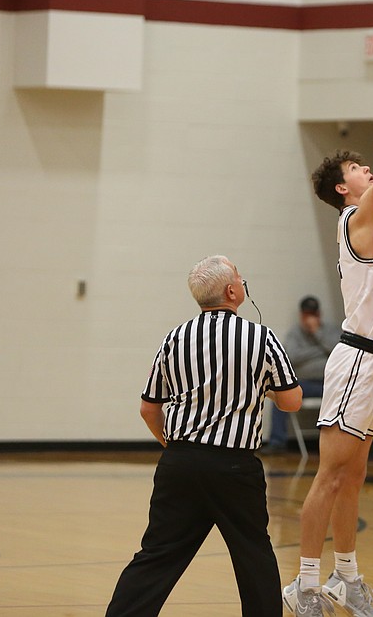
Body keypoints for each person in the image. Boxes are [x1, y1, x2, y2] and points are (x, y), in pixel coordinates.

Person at [282, 49, 373, 617]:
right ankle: (304, 584)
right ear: (344, 190)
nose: (367, 172)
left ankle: (346, 576)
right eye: (356, 171)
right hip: (357, 359)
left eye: (366, 168)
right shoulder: (357, 218)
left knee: (354, 475)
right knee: (330, 474)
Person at [105, 255, 301, 617]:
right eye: (240, 277)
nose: (243, 282)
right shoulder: (261, 336)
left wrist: (174, 447)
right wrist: (261, 387)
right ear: (231, 290)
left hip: (179, 462)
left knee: (157, 555)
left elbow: (149, 408)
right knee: (252, 555)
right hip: (234, 467)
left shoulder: (174, 337)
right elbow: (291, 402)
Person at [267, 295, 339, 451]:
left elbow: (337, 352)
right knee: (279, 393)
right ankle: (277, 442)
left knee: (353, 393)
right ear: (301, 315)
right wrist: (320, 350)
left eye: (313, 314)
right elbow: (291, 356)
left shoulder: (330, 330)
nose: (309, 318)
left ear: (319, 314)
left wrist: (317, 333)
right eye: (306, 314)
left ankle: (341, 444)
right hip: (303, 383)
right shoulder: (295, 333)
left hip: (329, 384)